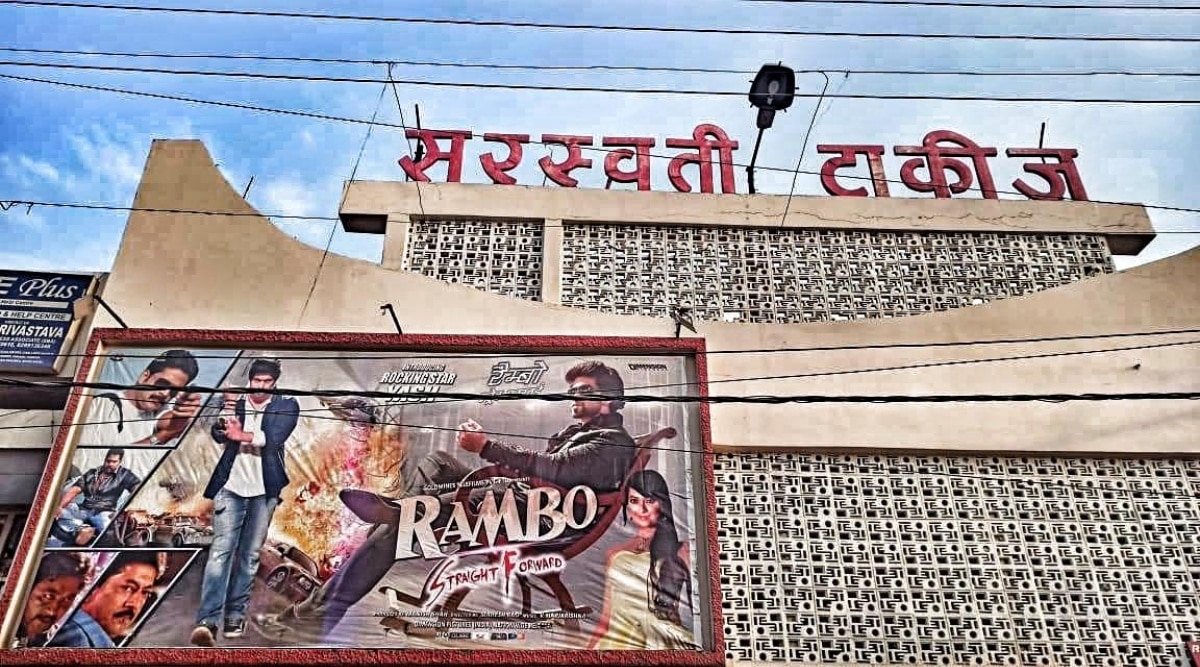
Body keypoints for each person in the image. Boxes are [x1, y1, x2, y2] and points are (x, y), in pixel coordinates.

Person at [268, 360, 639, 642]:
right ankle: (402, 511)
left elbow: (555, 469)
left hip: (536, 518)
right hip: (523, 500)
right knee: (435, 463)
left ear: (606, 400)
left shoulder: (611, 442)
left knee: (391, 530)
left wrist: (488, 448)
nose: (574, 396)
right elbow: (549, 471)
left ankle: (396, 520)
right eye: (573, 388)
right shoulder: (587, 433)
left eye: (583, 390)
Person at [190, 358, 300, 647]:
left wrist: (244, 435)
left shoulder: (286, 405)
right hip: (230, 487)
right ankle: (207, 622)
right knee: (220, 554)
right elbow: (217, 433)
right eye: (257, 381)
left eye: (267, 382)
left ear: (274, 383)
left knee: (250, 557)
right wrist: (227, 409)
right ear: (250, 380)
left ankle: (235, 615)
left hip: (265, 491)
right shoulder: (236, 402)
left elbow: (275, 438)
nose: (261, 386)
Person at [589, 469, 695, 650]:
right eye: (634, 501)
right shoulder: (614, 554)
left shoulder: (681, 550)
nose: (642, 509)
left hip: (659, 641)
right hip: (616, 643)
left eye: (649, 501)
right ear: (627, 508)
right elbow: (607, 618)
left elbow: (697, 610)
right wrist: (587, 652)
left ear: (661, 505)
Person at [80, 349, 202, 447]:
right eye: (162, 384)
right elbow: (105, 465)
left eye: (174, 390)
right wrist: (160, 437)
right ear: (144, 377)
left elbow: (169, 420)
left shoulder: (158, 411)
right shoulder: (103, 406)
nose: (165, 393)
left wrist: (184, 414)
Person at [48, 551, 162, 648]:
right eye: (128, 588)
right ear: (91, 588)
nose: (134, 604)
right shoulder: (76, 637)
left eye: (145, 593)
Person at [50, 448, 142, 547]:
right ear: (105, 459)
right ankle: (81, 531)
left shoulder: (124, 475)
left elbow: (138, 487)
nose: (110, 464)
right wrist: (60, 506)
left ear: (120, 462)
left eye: (114, 462)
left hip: (104, 511)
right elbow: (75, 489)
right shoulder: (92, 473)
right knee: (60, 513)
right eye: (108, 461)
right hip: (84, 508)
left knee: (107, 530)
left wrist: (128, 507)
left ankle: (87, 536)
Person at [14, 552, 91, 648]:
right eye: (48, 596)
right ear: (28, 588)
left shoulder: (72, 641)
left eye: (67, 600)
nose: (53, 611)